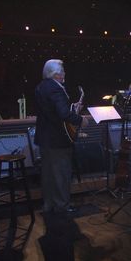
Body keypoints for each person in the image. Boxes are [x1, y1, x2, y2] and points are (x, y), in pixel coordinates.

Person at [34, 59, 88, 214]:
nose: (64, 74)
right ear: (56, 74)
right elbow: (63, 114)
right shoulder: (56, 89)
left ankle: (49, 206)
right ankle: (62, 207)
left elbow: (53, 112)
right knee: (61, 175)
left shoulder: (41, 87)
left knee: (48, 175)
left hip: (44, 139)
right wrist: (80, 119)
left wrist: (73, 107)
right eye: (63, 71)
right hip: (57, 140)